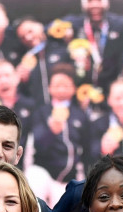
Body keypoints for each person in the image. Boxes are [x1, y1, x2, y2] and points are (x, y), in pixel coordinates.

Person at [29, 64, 91, 202]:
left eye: (66, 85)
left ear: (74, 88)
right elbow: (38, 145)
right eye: (57, 85)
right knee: (34, 177)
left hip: (69, 178)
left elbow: (87, 149)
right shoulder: (42, 112)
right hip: (44, 173)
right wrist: (51, 131)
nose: (61, 89)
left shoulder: (80, 115)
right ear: (49, 88)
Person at [90, 79, 123, 159]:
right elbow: (90, 159)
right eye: (118, 98)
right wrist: (103, 151)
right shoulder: (97, 125)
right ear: (109, 100)